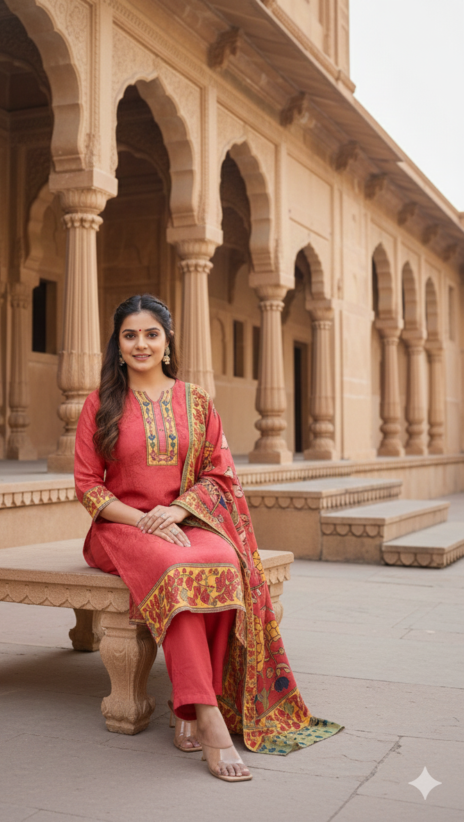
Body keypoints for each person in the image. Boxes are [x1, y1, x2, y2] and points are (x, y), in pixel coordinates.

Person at [74, 294, 343, 782]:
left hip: (187, 521)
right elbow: (88, 487)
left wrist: (176, 510)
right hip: (120, 529)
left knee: (222, 562)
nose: (141, 344)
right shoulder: (99, 404)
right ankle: (207, 713)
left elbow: (219, 474)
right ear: (116, 344)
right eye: (129, 335)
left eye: (151, 334)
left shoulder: (195, 401)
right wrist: (144, 521)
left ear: (167, 342)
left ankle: (188, 708)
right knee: (180, 573)